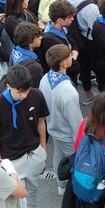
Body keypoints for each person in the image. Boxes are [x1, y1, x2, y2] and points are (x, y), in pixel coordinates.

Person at [0, 64, 57, 208]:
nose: (25, 95)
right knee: (19, 199)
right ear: (8, 86)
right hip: (12, 160)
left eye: (26, 90)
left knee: (32, 189)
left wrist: (42, 148)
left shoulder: (36, 94)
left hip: (34, 153)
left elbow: (42, 121)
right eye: (20, 92)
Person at [39, 45, 82, 196]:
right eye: (69, 56)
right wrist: (80, 142)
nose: (72, 58)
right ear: (64, 63)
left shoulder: (45, 79)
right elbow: (76, 122)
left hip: (52, 127)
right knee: (75, 163)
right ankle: (74, 190)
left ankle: (60, 184)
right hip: (68, 134)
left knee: (58, 156)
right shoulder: (69, 92)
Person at [68, 0, 101, 105]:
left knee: (84, 67)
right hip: (89, 39)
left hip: (77, 36)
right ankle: (90, 93)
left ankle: (87, 92)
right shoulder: (90, 6)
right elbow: (96, 27)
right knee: (93, 65)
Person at [10, 22, 44, 88]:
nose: (41, 38)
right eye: (37, 37)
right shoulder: (33, 67)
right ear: (30, 42)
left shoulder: (15, 51)